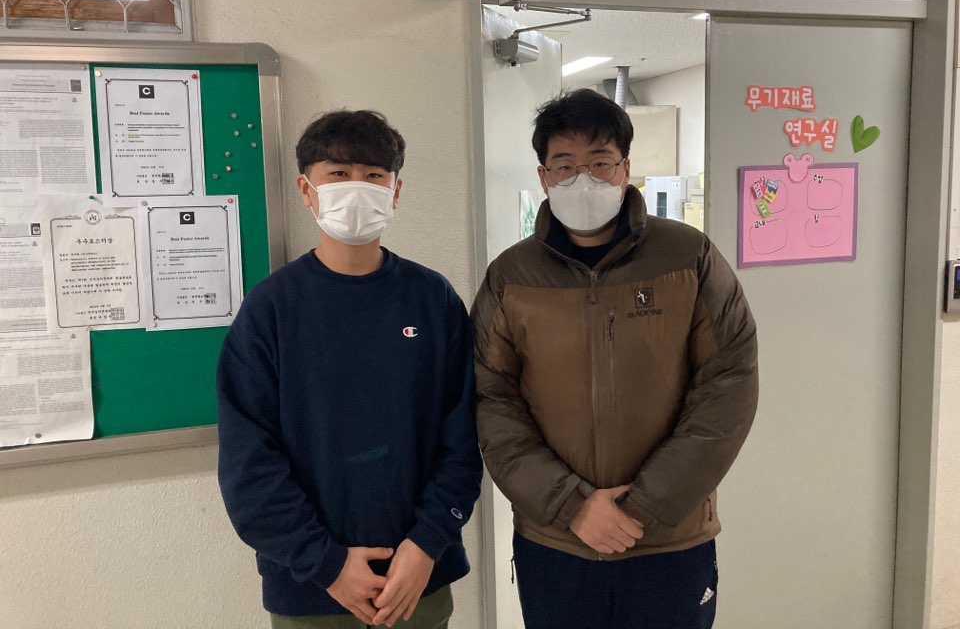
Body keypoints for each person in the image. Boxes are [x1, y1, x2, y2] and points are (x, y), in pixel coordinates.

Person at [471, 89, 759, 629]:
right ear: (544, 178)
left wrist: (643, 508)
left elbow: (728, 387)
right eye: (565, 166)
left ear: (626, 168)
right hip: (557, 541)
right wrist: (572, 505)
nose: (583, 179)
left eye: (600, 162)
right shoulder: (510, 277)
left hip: (668, 540)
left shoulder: (689, 257)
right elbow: (492, 400)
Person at [217, 109, 483, 629]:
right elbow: (248, 461)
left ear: (395, 191)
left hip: (418, 580)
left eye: (374, 175)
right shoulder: (271, 309)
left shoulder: (433, 300)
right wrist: (327, 563)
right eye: (338, 174)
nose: (357, 187)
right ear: (306, 189)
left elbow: (463, 439)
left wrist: (428, 542)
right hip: (311, 587)